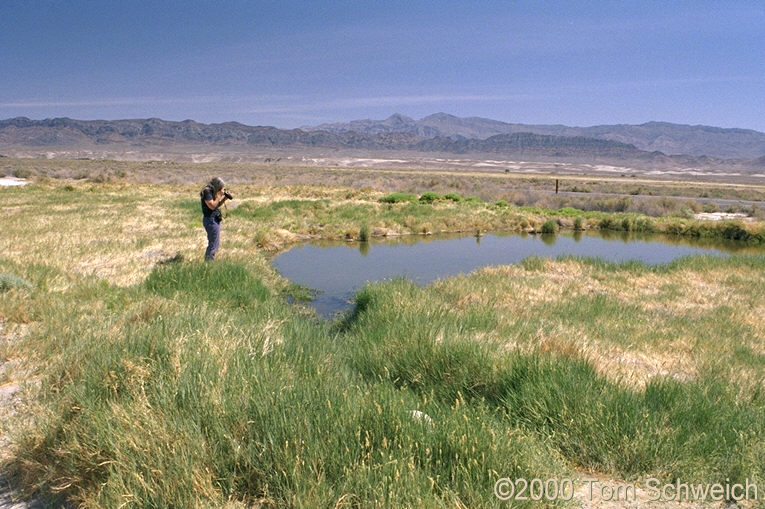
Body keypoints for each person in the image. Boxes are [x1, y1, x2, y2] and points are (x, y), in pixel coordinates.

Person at [200, 177, 232, 260]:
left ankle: (209, 262)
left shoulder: (212, 192)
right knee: (213, 244)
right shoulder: (207, 191)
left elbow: (216, 206)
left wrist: (224, 198)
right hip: (210, 220)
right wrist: (218, 196)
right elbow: (212, 206)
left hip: (214, 219)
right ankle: (208, 264)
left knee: (215, 244)